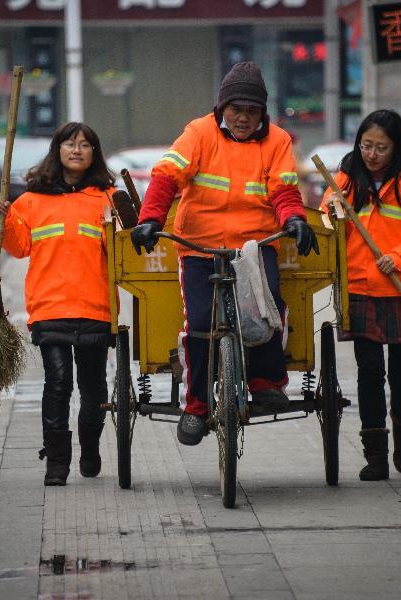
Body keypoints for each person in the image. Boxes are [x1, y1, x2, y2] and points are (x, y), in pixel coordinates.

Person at [130, 61, 319, 447]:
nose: (244, 118)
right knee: (199, 322)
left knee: (267, 310)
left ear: (263, 113)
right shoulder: (198, 132)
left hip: (255, 244)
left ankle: (267, 382)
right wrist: (149, 219)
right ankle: (196, 406)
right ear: (222, 108)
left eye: (252, 111)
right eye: (237, 110)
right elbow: (166, 176)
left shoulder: (278, 140)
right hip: (200, 245)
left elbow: (283, 189)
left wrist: (295, 219)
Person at [320, 109, 401, 481]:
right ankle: (375, 455)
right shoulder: (345, 176)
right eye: (366, 145)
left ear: (396, 147)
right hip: (361, 287)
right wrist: (333, 213)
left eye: (381, 148)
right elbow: (327, 222)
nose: (372, 154)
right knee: (369, 373)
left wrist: (400, 257)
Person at [0, 122, 115, 486]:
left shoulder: (107, 198)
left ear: (94, 154)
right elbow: (17, 246)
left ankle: (89, 448)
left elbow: (124, 253)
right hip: (50, 307)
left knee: (94, 389)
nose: (77, 150)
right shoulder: (31, 201)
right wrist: (4, 217)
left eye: (85, 145)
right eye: (70, 143)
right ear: (57, 150)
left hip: (94, 307)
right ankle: (57, 463)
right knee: (58, 383)